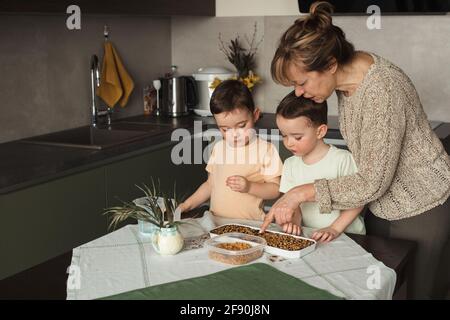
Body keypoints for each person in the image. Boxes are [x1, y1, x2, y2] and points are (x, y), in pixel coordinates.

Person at [260, 1, 450, 299]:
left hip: (420, 205)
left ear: (331, 64)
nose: (298, 92)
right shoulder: (347, 83)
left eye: (301, 82)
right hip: (379, 204)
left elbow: (373, 180)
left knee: (414, 294)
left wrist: (299, 193)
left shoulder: (382, 90)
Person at [178, 79, 283, 221]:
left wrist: (249, 187)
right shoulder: (218, 148)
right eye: (225, 129)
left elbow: (275, 190)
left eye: (241, 125)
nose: (234, 134)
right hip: (216, 223)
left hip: (250, 225)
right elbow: (210, 184)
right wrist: (186, 205)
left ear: (255, 115)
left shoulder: (266, 149)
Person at [276, 91, 365, 241]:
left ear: (320, 131)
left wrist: (334, 229)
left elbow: (358, 200)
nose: (289, 143)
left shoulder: (343, 159)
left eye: (297, 137)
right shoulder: (290, 164)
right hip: (314, 235)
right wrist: (294, 223)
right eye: (284, 135)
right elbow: (294, 204)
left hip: (349, 236)